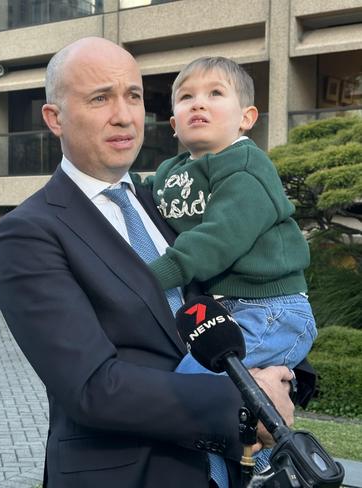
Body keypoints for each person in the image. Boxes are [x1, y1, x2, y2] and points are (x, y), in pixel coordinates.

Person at [0, 37, 304, 488]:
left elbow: (238, 299)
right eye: (100, 98)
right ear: (54, 118)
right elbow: (92, 388)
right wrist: (244, 403)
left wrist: (284, 376)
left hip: (221, 472)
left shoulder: (165, 200)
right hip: (128, 473)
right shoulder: (26, 233)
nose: (124, 115)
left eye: (133, 96)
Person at [138, 56, 317, 474]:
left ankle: (276, 472)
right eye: (186, 97)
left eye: (215, 94)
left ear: (246, 117)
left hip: (271, 309)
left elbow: (216, 239)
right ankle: (249, 470)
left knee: (194, 389)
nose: (198, 104)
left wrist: (149, 279)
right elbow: (142, 201)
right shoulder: (170, 171)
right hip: (227, 311)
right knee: (229, 409)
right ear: (173, 122)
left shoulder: (246, 166)